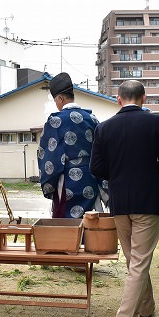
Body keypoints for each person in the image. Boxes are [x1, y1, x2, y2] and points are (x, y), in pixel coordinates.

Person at [89, 80, 159, 317]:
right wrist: (147, 173)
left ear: (118, 99)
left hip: (119, 203)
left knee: (134, 261)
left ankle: (146, 310)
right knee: (138, 262)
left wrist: (118, 176)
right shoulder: (156, 123)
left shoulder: (103, 128)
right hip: (147, 200)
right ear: (143, 98)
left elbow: (96, 168)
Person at [37, 72, 107, 219]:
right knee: (91, 220)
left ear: (60, 98)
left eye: (55, 100)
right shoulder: (92, 119)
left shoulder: (55, 121)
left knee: (66, 223)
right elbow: (103, 152)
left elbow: (49, 157)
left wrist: (48, 183)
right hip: (91, 178)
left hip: (67, 181)